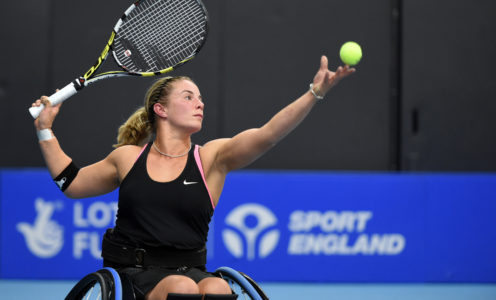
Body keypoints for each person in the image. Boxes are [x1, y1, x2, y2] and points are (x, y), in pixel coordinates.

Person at [31, 56, 355, 300]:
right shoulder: (128, 158)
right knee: (182, 288)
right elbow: (71, 183)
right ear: (161, 109)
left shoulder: (212, 158)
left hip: (193, 269)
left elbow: (268, 135)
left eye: (200, 98)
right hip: (135, 275)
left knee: (216, 287)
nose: (199, 103)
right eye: (188, 97)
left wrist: (314, 93)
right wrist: (45, 129)